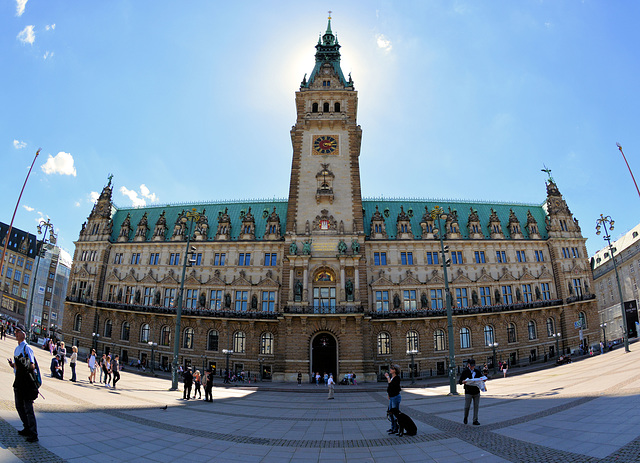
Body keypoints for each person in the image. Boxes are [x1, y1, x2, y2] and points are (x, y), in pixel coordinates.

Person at [8, 324, 39, 442]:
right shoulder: (17, 348)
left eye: (18, 331)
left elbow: (32, 365)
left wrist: (21, 364)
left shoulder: (27, 348)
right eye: (15, 331)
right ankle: (26, 427)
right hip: (18, 381)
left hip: (26, 382)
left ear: (24, 334)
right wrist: (13, 365)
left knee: (28, 408)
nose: (16, 333)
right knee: (18, 406)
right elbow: (18, 365)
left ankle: (33, 433)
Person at [459, 359, 483, 426]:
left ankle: (475, 420)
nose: (472, 367)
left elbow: (481, 378)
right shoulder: (465, 371)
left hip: (476, 391)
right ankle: (465, 417)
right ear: (468, 365)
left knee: (476, 406)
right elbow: (460, 381)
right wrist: (462, 381)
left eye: (473, 366)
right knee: (467, 406)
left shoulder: (477, 371)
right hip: (468, 391)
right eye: (471, 366)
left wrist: (484, 379)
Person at [385, 365, 402, 434]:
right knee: (390, 413)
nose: (390, 369)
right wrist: (389, 394)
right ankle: (393, 427)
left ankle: (396, 428)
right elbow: (390, 387)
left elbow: (392, 385)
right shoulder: (392, 378)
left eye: (392, 369)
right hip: (392, 397)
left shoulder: (397, 378)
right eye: (391, 368)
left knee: (395, 413)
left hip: (395, 397)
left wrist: (388, 377)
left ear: (395, 370)